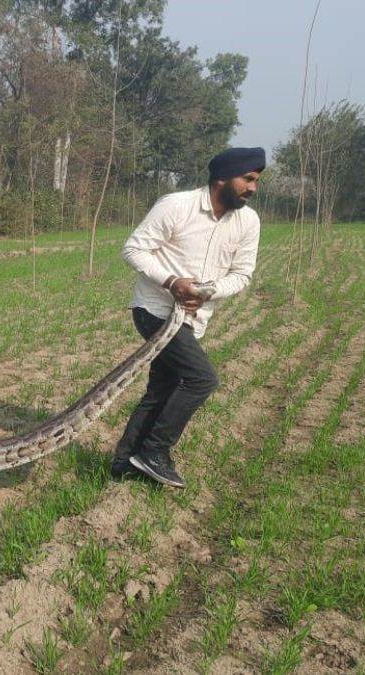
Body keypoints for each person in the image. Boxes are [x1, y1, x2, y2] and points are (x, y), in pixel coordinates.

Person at [112, 147, 265, 488]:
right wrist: (172, 282)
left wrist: (207, 291)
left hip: (193, 318)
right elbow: (134, 249)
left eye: (256, 181)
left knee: (161, 389)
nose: (253, 188)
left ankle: (124, 462)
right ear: (222, 178)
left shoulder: (248, 221)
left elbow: (242, 274)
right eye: (248, 179)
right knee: (201, 379)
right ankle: (155, 451)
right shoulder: (176, 206)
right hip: (155, 310)